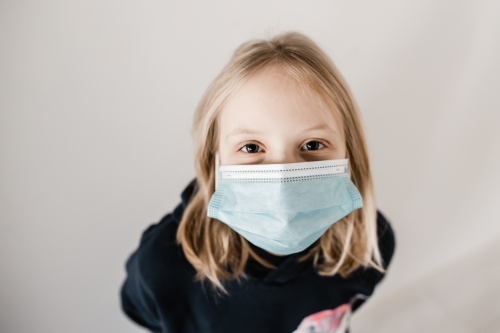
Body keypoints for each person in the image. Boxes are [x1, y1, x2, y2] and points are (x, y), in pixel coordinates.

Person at [120, 31, 396, 333]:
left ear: (350, 152)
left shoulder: (370, 246)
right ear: (214, 158)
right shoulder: (162, 265)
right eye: (251, 147)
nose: (282, 180)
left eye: (313, 145)